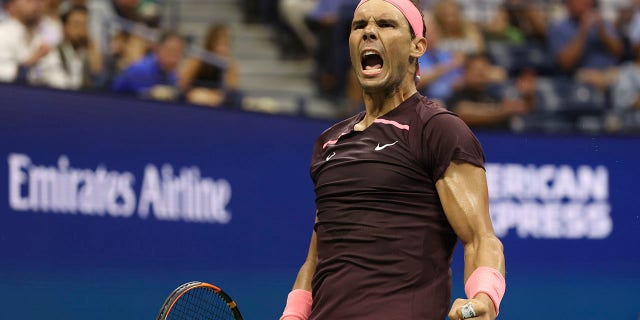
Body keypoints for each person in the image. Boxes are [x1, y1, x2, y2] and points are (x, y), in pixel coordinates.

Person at [279, 1, 506, 320]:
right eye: (359, 26)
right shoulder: (329, 143)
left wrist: (485, 297)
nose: (369, 31)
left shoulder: (437, 129)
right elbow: (317, 259)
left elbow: (480, 238)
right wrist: (293, 315)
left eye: (385, 24)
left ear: (418, 46)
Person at [447, 53, 533, 130]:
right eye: (476, 69)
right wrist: (502, 111)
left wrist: (528, 96)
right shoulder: (457, 95)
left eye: (485, 69)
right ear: (466, 72)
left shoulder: (493, 97)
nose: (481, 73)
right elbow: (463, 113)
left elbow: (522, 108)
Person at [178, 23, 241, 108]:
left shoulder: (230, 64)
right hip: (195, 98)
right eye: (219, 42)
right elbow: (183, 84)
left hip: (217, 101)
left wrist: (228, 69)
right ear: (211, 41)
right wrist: (198, 93)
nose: (223, 47)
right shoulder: (199, 59)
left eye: (226, 42)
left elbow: (231, 90)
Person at [111, 31, 185, 101]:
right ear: (158, 48)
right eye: (172, 50)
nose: (175, 56)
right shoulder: (142, 70)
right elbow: (142, 100)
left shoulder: (172, 74)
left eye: (179, 51)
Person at [0, 0, 51, 84]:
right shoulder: (2, 33)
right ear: (12, 6)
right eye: (29, 1)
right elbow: (4, 74)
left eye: (40, 1)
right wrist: (33, 59)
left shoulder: (41, 37)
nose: (37, 5)